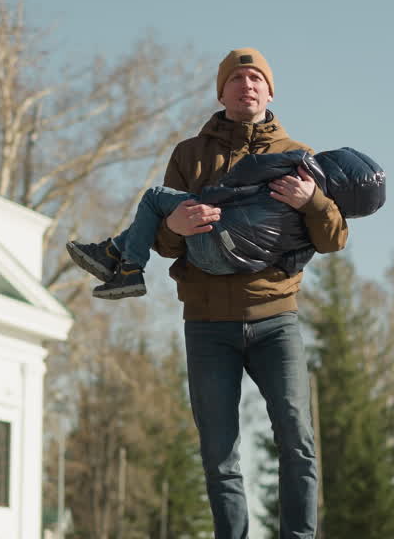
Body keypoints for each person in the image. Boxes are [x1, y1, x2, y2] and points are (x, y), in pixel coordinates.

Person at [145, 48, 352, 538]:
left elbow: (335, 239)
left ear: (270, 91)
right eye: (237, 78)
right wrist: (174, 223)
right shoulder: (189, 155)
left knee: (297, 439)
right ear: (221, 92)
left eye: (256, 77)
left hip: (276, 319)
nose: (247, 85)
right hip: (207, 324)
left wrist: (313, 200)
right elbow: (163, 242)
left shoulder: (300, 156)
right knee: (219, 453)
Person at [66, 145, 384, 299]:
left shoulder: (298, 162)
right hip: (231, 266)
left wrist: (212, 195)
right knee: (167, 211)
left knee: (155, 197)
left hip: (212, 236)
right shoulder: (320, 221)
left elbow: (247, 170)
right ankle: (111, 253)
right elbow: (293, 262)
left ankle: (129, 269)